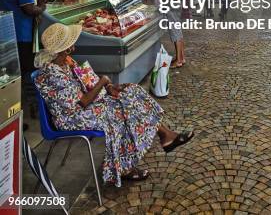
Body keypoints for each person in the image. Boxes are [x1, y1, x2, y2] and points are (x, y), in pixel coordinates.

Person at [34, 23, 194, 188]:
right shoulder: (53, 75)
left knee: (132, 91)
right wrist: (104, 81)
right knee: (121, 112)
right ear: (65, 49)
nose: (74, 45)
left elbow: (87, 80)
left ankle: (165, 135)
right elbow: (81, 103)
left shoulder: (65, 62)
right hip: (73, 118)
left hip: (87, 107)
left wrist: (109, 87)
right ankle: (127, 166)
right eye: (71, 43)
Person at [0, 0, 47, 119]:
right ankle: (33, 110)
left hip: (5, 34)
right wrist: (42, 8)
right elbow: (29, 9)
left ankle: (10, 111)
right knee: (27, 70)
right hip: (21, 34)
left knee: (10, 75)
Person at [165, 0, 185, 68]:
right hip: (175, 9)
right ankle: (181, 57)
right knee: (179, 33)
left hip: (172, 9)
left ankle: (178, 61)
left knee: (175, 34)